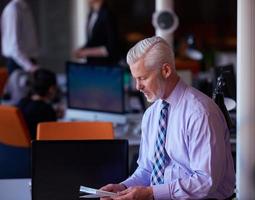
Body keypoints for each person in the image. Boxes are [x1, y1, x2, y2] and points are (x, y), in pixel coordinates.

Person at [100, 36, 235, 199]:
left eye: (142, 78)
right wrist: (123, 187)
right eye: (135, 78)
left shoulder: (200, 113)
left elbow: (205, 182)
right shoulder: (152, 114)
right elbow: (146, 170)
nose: (137, 87)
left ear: (166, 71)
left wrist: (151, 192)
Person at [17, 69, 59, 140]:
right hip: (38, 147)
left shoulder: (22, 102)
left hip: (20, 146)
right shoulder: (47, 110)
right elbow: (52, 136)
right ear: (51, 89)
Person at [74, 0, 119, 65]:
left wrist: (86, 52)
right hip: (91, 64)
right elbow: (92, 41)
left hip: (105, 66)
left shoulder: (108, 15)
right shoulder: (91, 14)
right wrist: (82, 50)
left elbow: (112, 47)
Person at [1, 0, 39, 74]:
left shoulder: (25, 8)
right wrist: (30, 67)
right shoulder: (13, 9)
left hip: (27, 61)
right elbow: (13, 47)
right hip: (19, 62)